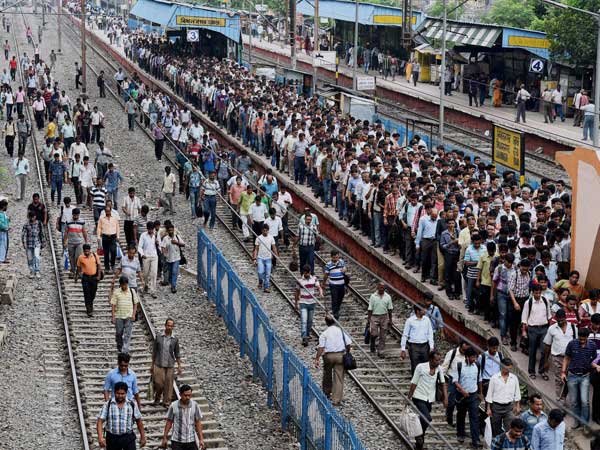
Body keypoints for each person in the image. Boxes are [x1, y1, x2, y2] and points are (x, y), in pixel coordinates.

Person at [408, 351, 448, 450]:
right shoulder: (420, 367)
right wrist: (408, 398)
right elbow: (414, 383)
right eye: (436, 360)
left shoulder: (439, 370)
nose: (438, 362)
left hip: (430, 399)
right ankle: (418, 436)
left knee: (424, 420)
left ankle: (419, 443)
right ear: (430, 359)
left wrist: (445, 398)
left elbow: (443, 384)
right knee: (427, 418)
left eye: (439, 360)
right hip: (418, 396)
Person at [562, 327, 596, 429]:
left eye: (583, 339)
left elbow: (594, 360)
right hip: (572, 376)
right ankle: (577, 421)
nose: (581, 341)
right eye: (580, 339)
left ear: (587, 337)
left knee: (585, 401)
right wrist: (563, 372)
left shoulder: (592, 346)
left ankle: (585, 424)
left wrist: (595, 367)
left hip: (585, 376)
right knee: (574, 401)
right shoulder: (572, 344)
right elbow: (566, 358)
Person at [96, 381, 146, 450]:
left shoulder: (132, 404)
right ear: (114, 392)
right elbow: (100, 421)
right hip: (112, 439)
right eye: (118, 393)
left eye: (122, 394)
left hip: (128, 437)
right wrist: (100, 437)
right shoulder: (108, 404)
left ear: (126, 393)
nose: (120, 396)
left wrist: (143, 436)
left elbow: (139, 421)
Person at [314, 315, 351, 406]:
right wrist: (347, 352)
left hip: (329, 356)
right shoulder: (341, 331)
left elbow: (321, 348)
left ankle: (326, 392)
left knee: (327, 373)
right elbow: (348, 343)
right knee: (339, 377)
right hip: (340, 356)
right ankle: (336, 400)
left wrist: (317, 358)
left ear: (326, 323)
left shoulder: (325, 333)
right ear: (334, 321)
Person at [543, 308, 577, 401]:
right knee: (559, 379)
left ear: (565, 318)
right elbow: (547, 345)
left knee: (570, 379)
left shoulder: (573, 327)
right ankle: (560, 399)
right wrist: (546, 361)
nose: (560, 321)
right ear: (556, 319)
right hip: (557, 358)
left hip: (571, 358)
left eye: (562, 319)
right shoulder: (552, 328)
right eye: (558, 320)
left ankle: (564, 396)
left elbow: (577, 343)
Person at [452, 347, 482, 448]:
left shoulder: (477, 365)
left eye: (475, 357)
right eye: (472, 357)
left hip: (473, 395)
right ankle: (460, 434)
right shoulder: (459, 366)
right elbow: (455, 381)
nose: (474, 359)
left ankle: (475, 440)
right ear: (467, 357)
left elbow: (479, 379)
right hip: (462, 396)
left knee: (474, 418)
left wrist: (480, 393)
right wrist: (462, 390)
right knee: (461, 415)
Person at [161, 384, 206, 450]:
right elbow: (169, 422)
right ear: (180, 394)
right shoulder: (173, 406)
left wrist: (201, 439)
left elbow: (198, 422)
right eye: (185, 395)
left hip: (191, 440)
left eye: (189, 395)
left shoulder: (195, 405)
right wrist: (165, 437)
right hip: (177, 440)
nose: (188, 397)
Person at [521, 284, 552, 379]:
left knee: (544, 351)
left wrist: (550, 329)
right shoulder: (528, 302)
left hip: (544, 328)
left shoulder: (545, 300)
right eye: (536, 293)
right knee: (532, 351)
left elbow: (549, 315)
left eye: (539, 293)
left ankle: (542, 371)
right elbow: (524, 318)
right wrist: (524, 331)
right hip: (532, 329)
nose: (538, 295)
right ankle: (532, 371)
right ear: (532, 292)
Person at [485, 357, 521, 437]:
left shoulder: (514, 378)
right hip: (496, 407)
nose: (508, 370)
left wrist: (517, 405)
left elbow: (517, 393)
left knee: (510, 427)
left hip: (509, 407)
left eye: (510, 369)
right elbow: (489, 394)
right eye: (506, 368)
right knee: (496, 428)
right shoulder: (494, 378)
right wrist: (488, 408)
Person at [152, 318, 182, 407]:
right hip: (158, 363)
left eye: (171, 326)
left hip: (170, 364)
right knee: (159, 383)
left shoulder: (175, 339)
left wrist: (179, 365)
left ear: (173, 327)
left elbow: (177, 352)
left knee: (169, 384)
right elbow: (154, 351)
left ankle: (166, 402)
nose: (169, 327)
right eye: (168, 325)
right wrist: (152, 365)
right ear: (165, 325)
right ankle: (157, 397)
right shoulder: (159, 337)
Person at [295, 264, 323, 346]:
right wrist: (296, 303)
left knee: (310, 321)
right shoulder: (300, 281)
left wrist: (321, 293)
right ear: (303, 272)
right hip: (303, 302)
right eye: (305, 273)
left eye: (308, 273)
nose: (307, 274)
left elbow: (318, 287)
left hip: (312, 303)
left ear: (310, 272)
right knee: (304, 320)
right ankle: (304, 337)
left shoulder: (314, 279)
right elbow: (296, 292)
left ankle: (307, 334)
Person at [110, 276, 139, 354]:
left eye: (125, 285)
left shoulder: (132, 291)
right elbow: (113, 304)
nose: (124, 286)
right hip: (119, 316)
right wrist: (113, 316)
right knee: (119, 333)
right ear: (120, 284)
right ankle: (119, 346)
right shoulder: (116, 292)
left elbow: (135, 303)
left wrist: (133, 314)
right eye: (122, 285)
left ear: (127, 284)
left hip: (129, 316)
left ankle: (125, 350)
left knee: (127, 334)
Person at [401, 303, 434, 370]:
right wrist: (403, 349)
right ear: (418, 311)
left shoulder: (427, 320)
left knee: (425, 365)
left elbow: (430, 333)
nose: (425, 311)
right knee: (415, 365)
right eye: (423, 310)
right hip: (413, 346)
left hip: (425, 345)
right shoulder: (410, 321)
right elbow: (405, 335)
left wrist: (431, 346)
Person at [76, 243, 102, 316]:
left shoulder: (94, 255)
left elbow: (99, 265)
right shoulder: (80, 257)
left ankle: (90, 303)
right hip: (85, 278)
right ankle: (89, 309)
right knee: (86, 293)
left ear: (90, 250)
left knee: (93, 293)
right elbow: (78, 267)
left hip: (94, 277)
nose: (87, 253)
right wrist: (78, 275)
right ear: (83, 251)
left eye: (88, 251)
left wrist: (99, 275)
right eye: (85, 251)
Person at [253, 224, 278, 294]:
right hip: (260, 258)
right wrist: (254, 258)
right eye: (264, 230)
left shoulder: (271, 238)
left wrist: (276, 255)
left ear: (268, 230)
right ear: (262, 231)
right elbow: (256, 249)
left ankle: (266, 287)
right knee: (260, 272)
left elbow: (274, 247)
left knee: (267, 274)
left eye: (266, 230)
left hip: (268, 258)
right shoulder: (258, 238)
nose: (265, 232)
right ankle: (260, 281)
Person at [63, 208, 88, 278]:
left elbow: (84, 231)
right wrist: (64, 241)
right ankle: (72, 271)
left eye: (77, 215)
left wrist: (86, 241)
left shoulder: (82, 222)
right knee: (71, 257)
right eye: (75, 215)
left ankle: (79, 271)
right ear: (72, 215)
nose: (76, 217)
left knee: (78, 257)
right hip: (71, 242)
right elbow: (66, 232)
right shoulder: (68, 222)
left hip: (79, 242)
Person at [323, 250, 347, 319]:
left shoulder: (341, 262)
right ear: (331, 257)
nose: (335, 259)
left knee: (341, 297)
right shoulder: (328, 265)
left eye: (337, 257)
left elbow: (345, 268)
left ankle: (337, 308)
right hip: (333, 284)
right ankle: (335, 313)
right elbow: (326, 275)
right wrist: (323, 283)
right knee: (334, 298)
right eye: (334, 258)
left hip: (341, 284)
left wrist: (345, 269)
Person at [161, 223, 184, 293]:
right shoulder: (165, 238)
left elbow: (183, 244)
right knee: (170, 272)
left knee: (174, 272)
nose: (171, 232)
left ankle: (173, 286)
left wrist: (176, 242)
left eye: (172, 230)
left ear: (173, 230)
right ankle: (171, 282)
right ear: (167, 231)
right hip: (169, 258)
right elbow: (163, 247)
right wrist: (164, 253)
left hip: (176, 257)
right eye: (169, 230)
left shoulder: (177, 237)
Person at [138, 221, 158, 298]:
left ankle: (153, 291)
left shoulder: (156, 235)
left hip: (154, 256)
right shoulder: (143, 235)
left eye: (152, 229)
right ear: (147, 229)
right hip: (146, 256)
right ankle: (146, 285)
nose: (151, 231)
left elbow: (159, 245)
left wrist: (158, 243)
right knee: (145, 273)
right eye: (149, 229)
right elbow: (140, 246)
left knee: (154, 273)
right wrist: (142, 254)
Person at [97, 203, 120, 273]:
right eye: (106, 211)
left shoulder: (114, 218)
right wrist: (98, 236)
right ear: (105, 211)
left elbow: (117, 227)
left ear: (110, 211)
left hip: (113, 236)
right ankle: (107, 267)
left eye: (109, 211)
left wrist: (118, 236)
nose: (108, 212)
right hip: (105, 236)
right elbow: (99, 228)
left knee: (113, 251)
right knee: (106, 253)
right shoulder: (101, 218)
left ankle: (113, 265)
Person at [22, 211, 44, 278]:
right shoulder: (26, 225)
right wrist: (23, 243)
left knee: (36, 256)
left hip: (37, 243)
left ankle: (37, 271)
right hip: (29, 244)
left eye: (33, 217)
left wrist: (43, 242)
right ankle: (31, 271)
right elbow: (23, 234)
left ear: (35, 217)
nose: (32, 219)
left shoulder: (39, 223)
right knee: (30, 258)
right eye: (31, 217)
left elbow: (42, 233)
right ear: (29, 217)